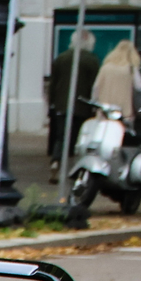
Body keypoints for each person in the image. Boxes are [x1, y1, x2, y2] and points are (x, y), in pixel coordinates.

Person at [45, 29, 99, 181]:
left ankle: (56, 161)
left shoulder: (61, 58)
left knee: (61, 137)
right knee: (79, 139)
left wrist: (52, 103)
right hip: (83, 106)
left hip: (62, 105)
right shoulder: (91, 60)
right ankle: (77, 169)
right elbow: (93, 85)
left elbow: (54, 83)